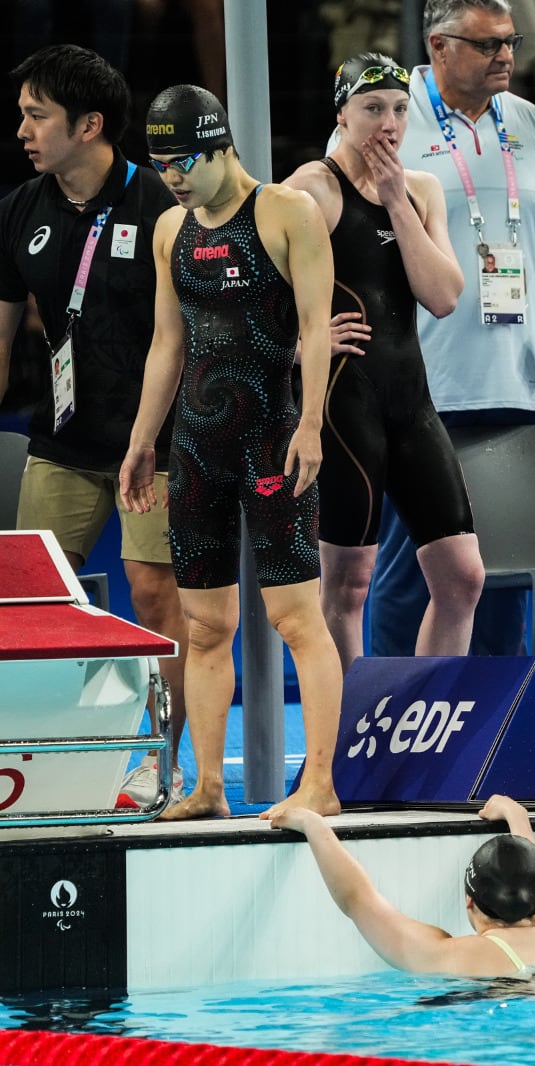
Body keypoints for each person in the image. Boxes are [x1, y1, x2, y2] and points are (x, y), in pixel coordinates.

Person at [119, 85, 344, 821]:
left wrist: (312, 422)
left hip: (273, 438)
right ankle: (208, 786)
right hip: (196, 449)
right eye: (161, 165)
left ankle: (319, 783)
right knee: (206, 627)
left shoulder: (286, 213)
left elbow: (316, 329)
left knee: (296, 619)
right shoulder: (169, 230)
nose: (175, 177)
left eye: (185, 160)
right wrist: (142, 440)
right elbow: (167, 342)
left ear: (222, 147)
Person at [368, 0, 535, 660]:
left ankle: (493, 732)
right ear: (439, 47)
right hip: (423, 386)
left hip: (519, 386)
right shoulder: (385, 113)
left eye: (511, 43)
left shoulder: (530, 122)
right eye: (489, 45)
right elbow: (341, 239)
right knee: (412, 576)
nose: (507, 57)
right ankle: (388, 727)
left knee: (503, 575)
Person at [0, 45, 190, 808]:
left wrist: (145, 442)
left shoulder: (160, 207)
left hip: (160, 442)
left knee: (154, 597)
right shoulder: (19, 211)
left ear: (90, 125)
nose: (21, 130)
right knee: (28, 601)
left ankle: (161, 761)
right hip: (64, 440)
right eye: (21, 114)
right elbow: (4, 333)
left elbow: (183, 338)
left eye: (36, 115)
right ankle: (36, 760)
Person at [284, 53, 483, 674]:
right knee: (346, 586)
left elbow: (444, 295)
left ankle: (427, 728)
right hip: (346, 405)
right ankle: (344, 743)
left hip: (411, 403)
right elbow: (247, 301)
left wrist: (398, 202)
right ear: (341, 114)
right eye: (372, 109)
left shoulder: (419, 190)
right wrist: (298, 343)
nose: (389, 124)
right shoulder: (308, 190)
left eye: (399, 109)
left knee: (463, 577)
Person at [270, 794, 535, 977]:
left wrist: (312, 825)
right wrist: (517, 815)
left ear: (469, 900)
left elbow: (358, 899)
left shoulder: (451, 957)